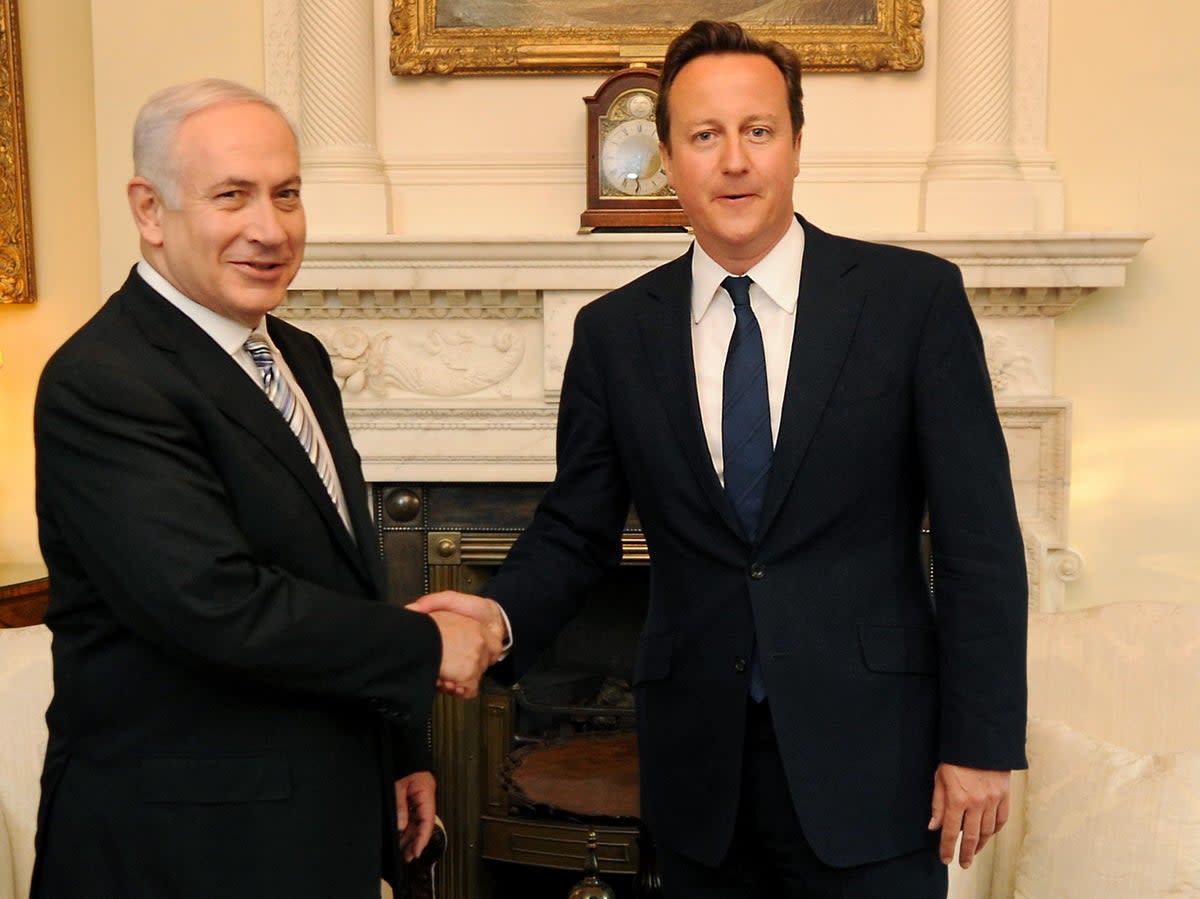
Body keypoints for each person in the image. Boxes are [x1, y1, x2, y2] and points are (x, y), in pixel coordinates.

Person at [410, 20, 1028, 898]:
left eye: (758, 131)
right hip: (698, 774)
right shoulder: (615, 334)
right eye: (705, 135)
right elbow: (578, 529)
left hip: (874, 762)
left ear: (798, 146)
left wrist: (981, 741)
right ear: (669, 158)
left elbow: (980, 541)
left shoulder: (911, 302)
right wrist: (493, 617)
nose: (734, 160)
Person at [31, 78, 500, 899]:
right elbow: (214, 603)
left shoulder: (298, 355)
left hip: (310, 824)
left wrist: (394, 756)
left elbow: (334, 575)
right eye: (231, 196)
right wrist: (425, 646)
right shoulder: (104, 380)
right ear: (150, 210)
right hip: (181, 850)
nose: (270, 228)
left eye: (287, 194)